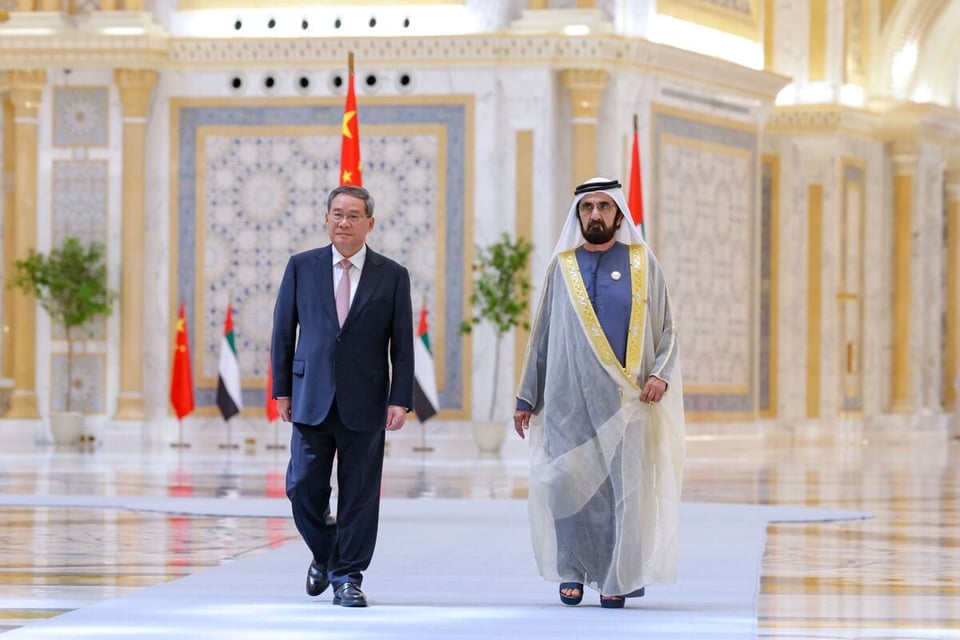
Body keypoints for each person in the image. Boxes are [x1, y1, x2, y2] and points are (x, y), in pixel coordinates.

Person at [514, 177, 685, 609]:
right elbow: (542, 337)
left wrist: (660, 374)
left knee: (622, 492)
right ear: (578, 215)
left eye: (603, 207)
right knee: (566, 485)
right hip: (566, 400)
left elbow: (667, 329)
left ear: (618, 214)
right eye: (587, 207)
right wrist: (526, 397)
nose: (595, 215)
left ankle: (616, 575)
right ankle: (570, 571)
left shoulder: (642, 263)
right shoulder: (562, 268)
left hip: (626, 402)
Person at [271, 184, 414, 608]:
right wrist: (281, 389)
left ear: (370, 223)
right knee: (301, 487)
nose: (343, 222)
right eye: (337, 214)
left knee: (360, 495)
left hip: (366, 402)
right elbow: (283, 332)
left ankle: (348, 576)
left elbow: (402, 346)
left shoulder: (392, 275)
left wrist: (399, 398)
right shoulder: (301, 267)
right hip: (309, 396)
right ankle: (325, 552)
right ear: (326, 219)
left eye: (353, 216)